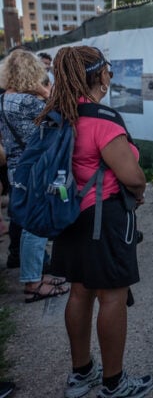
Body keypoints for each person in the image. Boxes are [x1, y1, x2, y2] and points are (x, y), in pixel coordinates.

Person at [41, 46, 153, 397]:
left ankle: (81, 374)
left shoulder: (60, 115)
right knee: (112, 297)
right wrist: (138, 192)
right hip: (103, 217)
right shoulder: (102, 120)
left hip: (70, 214)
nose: (111, 75)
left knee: (79, 292)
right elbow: (132, 176)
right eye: (109, 69)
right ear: (99, 75)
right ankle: (114, 383)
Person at [0, 49, 69, 302]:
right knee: (35, 226)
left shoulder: (4, 99)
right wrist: (45, 92)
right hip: (34, 170)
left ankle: (35, 275)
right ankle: (33, 283)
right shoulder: (28, 101)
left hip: (16, 169)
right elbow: (60, 116)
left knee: (29, 223)